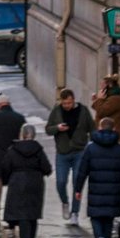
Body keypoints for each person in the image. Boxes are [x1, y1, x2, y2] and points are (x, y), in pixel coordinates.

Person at [74, 116, 120, 238]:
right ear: (114, 129)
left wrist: (78, 189)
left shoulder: (90, 148)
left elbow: (82, 171)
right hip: (114, 192)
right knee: (109, 219)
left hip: (96, 191)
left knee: (95, 217)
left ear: (99, 128)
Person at [0, 123, 53, 238]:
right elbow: (47, 168)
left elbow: (5, 167)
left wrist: (6, 181)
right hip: (35, 183)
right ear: (33, 135)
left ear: (22, 135)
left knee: (22, 214)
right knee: (32, 215)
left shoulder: (13, 149)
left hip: (17, 182)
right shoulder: (38, 150)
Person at [46, 87, 92, 221]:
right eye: (64, 103)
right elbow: (48, 129)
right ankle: (65, 202)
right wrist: (57, 128)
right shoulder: (56, 111)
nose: (67, 106)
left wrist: (92, 145)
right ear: (61, 101)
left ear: (73, 100)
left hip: (79, 151)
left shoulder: (83, 111)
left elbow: (92, 128)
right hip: (63, 152)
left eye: (69, 103)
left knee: (77, 182)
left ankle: (75, 212)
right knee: (60, 182)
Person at [0, 94, 28, 218]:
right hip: (15, 153)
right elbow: (23, 136)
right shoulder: (19, 118)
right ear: (9, 104)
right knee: (14, 182)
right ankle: (13, 210)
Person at [92, 74, 120, 142]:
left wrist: (99, 100)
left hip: (112, 137)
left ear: (109, 85)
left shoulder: (115, 99)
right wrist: (96, 100)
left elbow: (101, 112)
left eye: (103, 84)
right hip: (108, 136)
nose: (101, 87)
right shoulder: (111, 96)